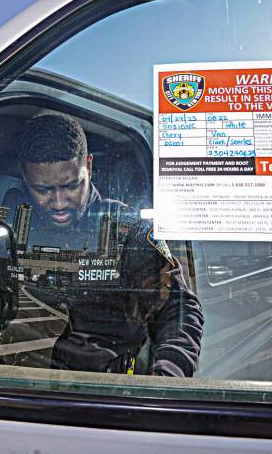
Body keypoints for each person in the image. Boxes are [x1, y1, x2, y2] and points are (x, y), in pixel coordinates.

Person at [16, 114, 204, 377]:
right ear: (25, 178)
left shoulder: (129, 230)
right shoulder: (14, 226)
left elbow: (179, 310)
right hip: (20, 381)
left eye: (71, 185)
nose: (58, 203)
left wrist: (168, 378)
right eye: (43, 189)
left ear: (88, 166)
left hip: (105, 389)